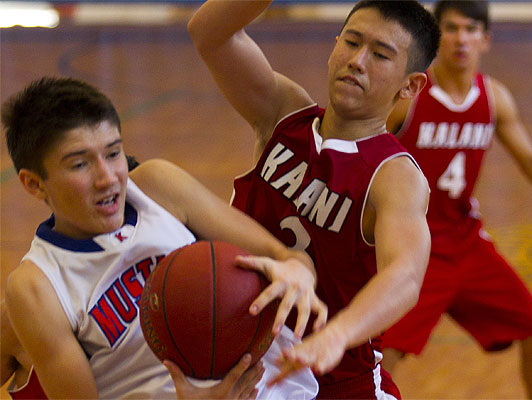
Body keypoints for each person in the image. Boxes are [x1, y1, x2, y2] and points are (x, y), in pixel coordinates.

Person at [1, 76, 327, 399]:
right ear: (34, 183)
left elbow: (286, 257)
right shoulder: (36, 286)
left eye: (113, 153)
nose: (107, 177)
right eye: (80, 164)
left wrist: (298, 271)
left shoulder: (157, 188)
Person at [187, 1, 440, 398]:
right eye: (352, 42)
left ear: (410, 85)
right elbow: (209, 34)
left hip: (332, 379)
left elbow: (406, 276)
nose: (357, 61)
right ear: (333, 45)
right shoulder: (283, 113)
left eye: (379, 54)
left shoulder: (394, 176)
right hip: (237, 364)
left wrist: (337, 335)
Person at [381, 1, 532, 399]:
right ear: (435, 37)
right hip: (415, 246)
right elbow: (365, 153)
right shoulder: (410, 96)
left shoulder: (494, 97)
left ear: (486, 40)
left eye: (470, 29)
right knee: (383, 354)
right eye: (450, 29)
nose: (461, 39)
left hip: (466, 244)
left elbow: (529, 159)